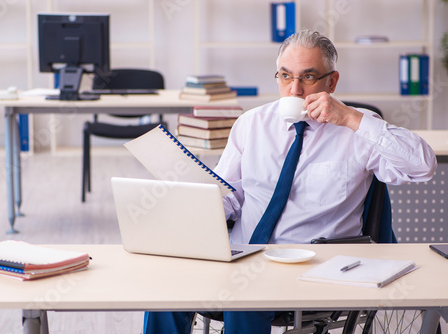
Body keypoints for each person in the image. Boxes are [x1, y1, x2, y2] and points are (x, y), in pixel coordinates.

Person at [143, 29, 437, 334]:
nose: (294, 90)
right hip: (245, 257)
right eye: (285, 76)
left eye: (308, 77)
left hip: (315, 266)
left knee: (244, 301)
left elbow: (423, 167)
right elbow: (230, 196)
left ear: (332, 82)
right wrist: (194, 205)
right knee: (168, 290)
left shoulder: (356, 129)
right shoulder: (251, 124)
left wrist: (351, 118)